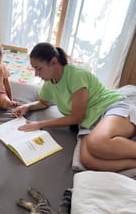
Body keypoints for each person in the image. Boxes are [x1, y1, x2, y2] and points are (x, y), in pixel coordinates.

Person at [11, 42, 136, 172]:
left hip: (109, 107)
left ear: (53, 62)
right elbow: (43, 102)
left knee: (96, 143)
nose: (36, 74)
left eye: (39, 69)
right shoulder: (50, 82)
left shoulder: (76, 75)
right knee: (88, 161)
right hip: (90, 122)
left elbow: (76, 118)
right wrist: (27, 106)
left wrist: (39, 124)